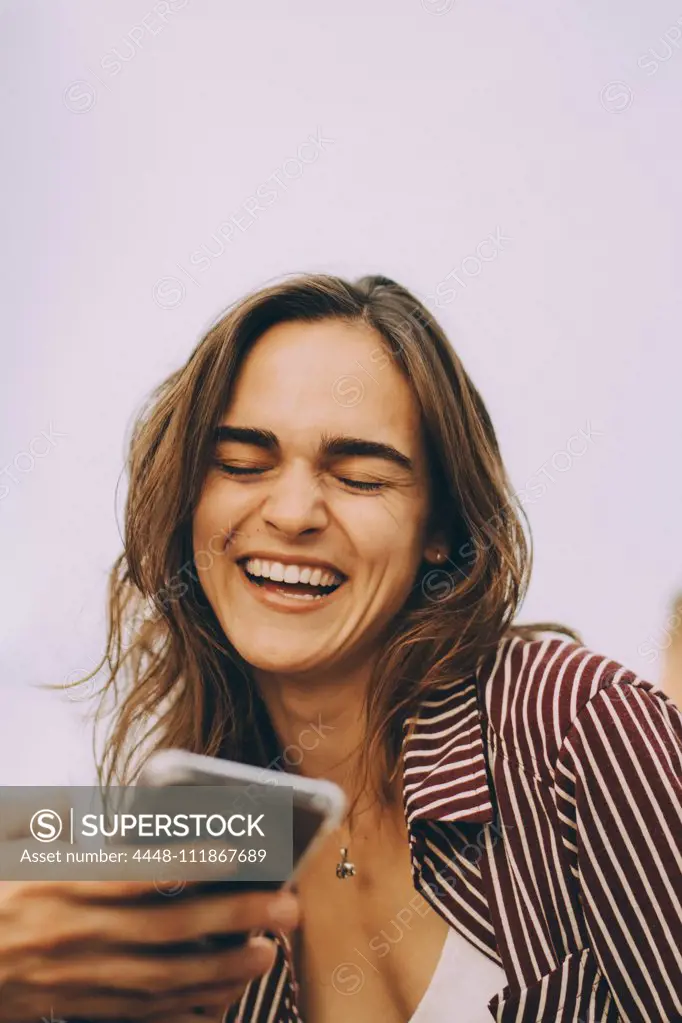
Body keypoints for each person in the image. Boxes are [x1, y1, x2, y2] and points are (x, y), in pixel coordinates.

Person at [5, 274, 681, 1022]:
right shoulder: (187, 845)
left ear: (441, 530)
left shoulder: (579, 729)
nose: (292, 512)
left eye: (359, 476)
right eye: (240, 463)